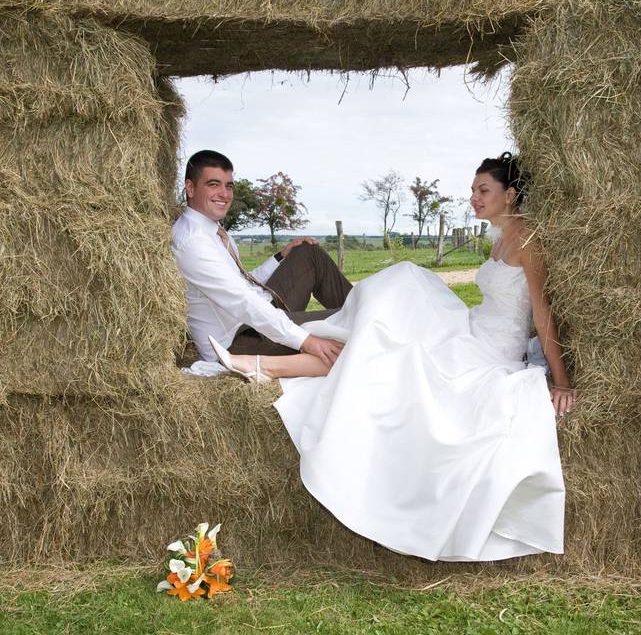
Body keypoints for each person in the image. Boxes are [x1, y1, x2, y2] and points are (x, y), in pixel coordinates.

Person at [211, 153, 572, 562]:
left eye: (482, 190)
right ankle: (264, 363)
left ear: (510, 194)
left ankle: (264, 364)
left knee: (394, 353)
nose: (473, 197)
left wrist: (559, 381)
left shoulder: (527, 243)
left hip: (489, 352)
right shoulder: (498, 238)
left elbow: (542, 313)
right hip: (469, 329)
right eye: (472, 189)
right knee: (400, 290)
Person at [171, 150, 353, 365]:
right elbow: (242, 300)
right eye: (213, 184)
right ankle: (366, 312)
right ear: (190, 188)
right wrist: (307, 341)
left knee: (307, 252)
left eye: (228, 186)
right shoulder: (193, 241)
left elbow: (242, 281)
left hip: (255, 319)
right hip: (237, 341)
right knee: (346, 318)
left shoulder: (214, 231)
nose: (225, 194)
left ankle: (364, 302)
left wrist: (279, 257)